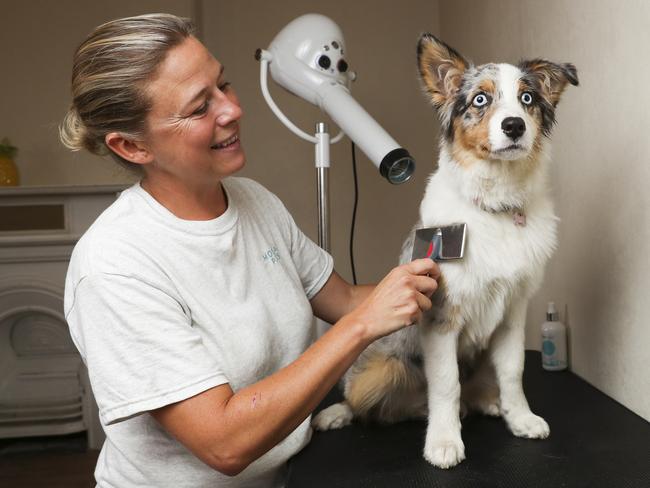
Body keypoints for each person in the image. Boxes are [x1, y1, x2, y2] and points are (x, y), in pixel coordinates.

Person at [60, 13, 439, 488]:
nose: (231, 109)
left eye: (224, 84)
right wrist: (363, 327)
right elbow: (224, 443)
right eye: (200, 107)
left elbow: (343, 301)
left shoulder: (253, 200)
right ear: (132, 146)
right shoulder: (115, 265)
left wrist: (438, 270)